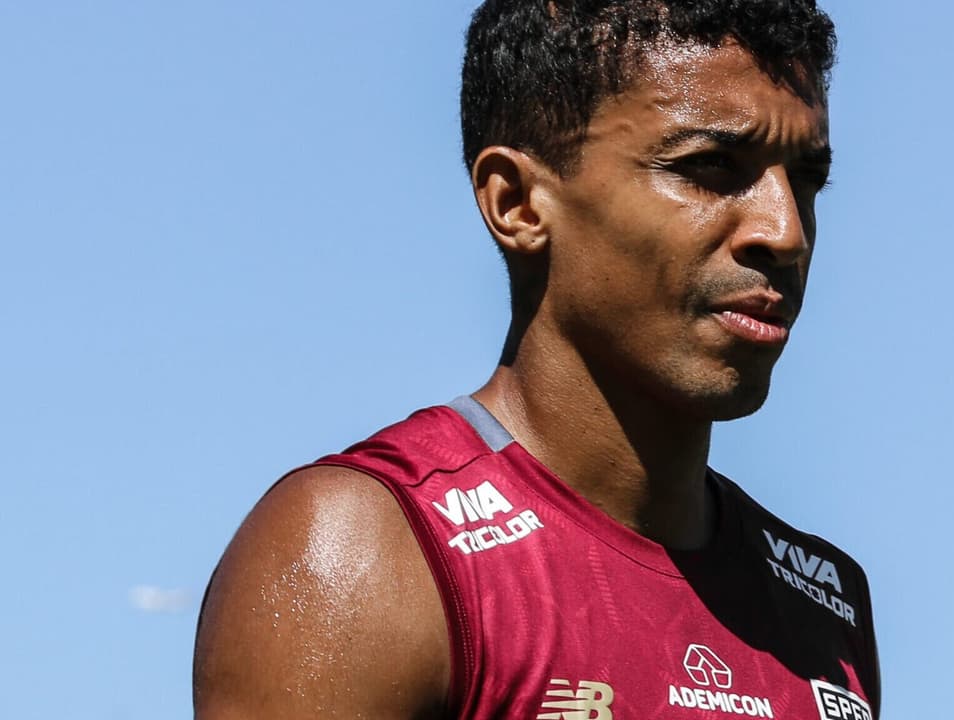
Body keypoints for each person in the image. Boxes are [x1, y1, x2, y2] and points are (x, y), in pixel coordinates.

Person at [193, 1, 879, 718]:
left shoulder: (823, 608)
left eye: (806, 181)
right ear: (517, 202)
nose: (786, 232)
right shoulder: (369, 553)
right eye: (710, 168)